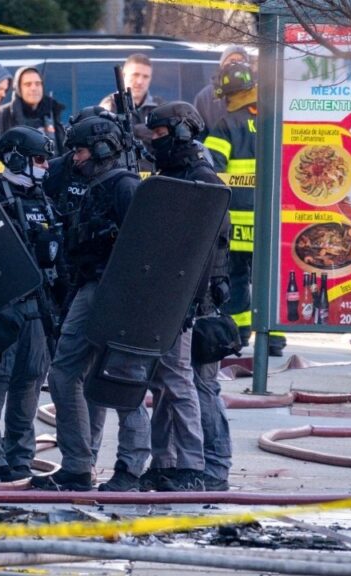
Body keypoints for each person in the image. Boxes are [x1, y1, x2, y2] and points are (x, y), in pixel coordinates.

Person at [29, 115, 151, 492]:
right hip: (90, 287)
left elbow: (145, 250)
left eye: (80, 150)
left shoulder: (125, 187)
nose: (75, 158)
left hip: (118, 291)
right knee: (65, 374)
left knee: (124, 381)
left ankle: (130, 468)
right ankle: (78, 466)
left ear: (100, 150)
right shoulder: (97, 184)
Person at [145, 101, 234, 492]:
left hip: (196, 301)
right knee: (168, 383)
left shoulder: (202, 179)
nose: (156, 142)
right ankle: (167, 461)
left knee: (199, 386)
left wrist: (202, 298)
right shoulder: (176, 172)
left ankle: (212, 467)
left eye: (161, 135)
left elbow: (212, 248)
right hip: (177, 295)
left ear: (182, 132)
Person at [0, 127, 58, 482]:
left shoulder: (45, 199)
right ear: (16, 157)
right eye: (39, 159)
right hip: (3, 305)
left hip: (39, 307)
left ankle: (20, 459)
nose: (44, 167)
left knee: (28, 384)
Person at [203, 61, 286, 357]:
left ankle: (238, 333)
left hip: (237, 221)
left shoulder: (227, 123)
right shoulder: (275, 120)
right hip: (271, 220)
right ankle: (275, 337)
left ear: (228, 94)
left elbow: (212, 167)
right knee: (268, 276)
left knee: (236, 276)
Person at [98, 53, 161, 168]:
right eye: (136, 75)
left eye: (145, 76)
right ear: (123, 75)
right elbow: (105, 139)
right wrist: (140, 131)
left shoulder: (160, 107)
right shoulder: (110, 105)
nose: (140, 81)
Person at [0, 67, 67, 155]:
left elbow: (63, 151)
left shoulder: (52, 112)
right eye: (28, 84)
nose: (34, 88)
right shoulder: (2, 115)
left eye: (38, 84)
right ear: (18, 89)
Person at [193, 46, 250, 138]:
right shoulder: (205, 96)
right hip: (216, 150)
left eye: (241, 61)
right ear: (222, 64)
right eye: (232, 60)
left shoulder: (254, 93)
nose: (236, 64)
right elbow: (199, 131)